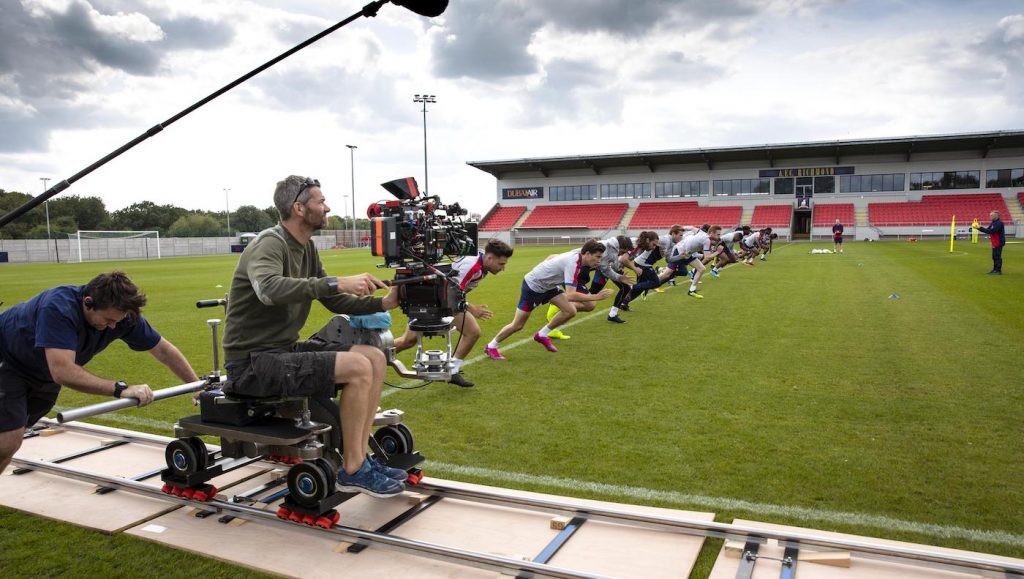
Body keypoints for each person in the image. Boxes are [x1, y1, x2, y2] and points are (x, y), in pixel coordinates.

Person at [220, 175, 405, 498]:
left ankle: (359, 458)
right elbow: (269, 289)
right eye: (320, 202)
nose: (327, 207)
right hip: (251, 364)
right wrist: (336, 282)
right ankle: (352, 469)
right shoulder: (269, 243)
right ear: (299, 208)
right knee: (359, 367)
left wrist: (384, 302)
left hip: (281, 350)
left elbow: (333, 300)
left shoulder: (306, 248)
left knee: (374, 356)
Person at [0, 272, 199, 474]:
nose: (113, 326)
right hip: (9, 361)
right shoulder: (58, 308)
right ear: (88, 302)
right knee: (7, 441)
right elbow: (62, 371)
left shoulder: (122, 317)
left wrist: (196, 385)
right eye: (108, 319)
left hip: (43, 375)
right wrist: (120, 389)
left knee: (9, 441)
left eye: (117, 321)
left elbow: (163, 350)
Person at [391, 239, 514, 387]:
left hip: (443, 299)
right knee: (408, 341)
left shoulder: (481, 261)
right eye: (501, 264)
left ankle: (452, 372)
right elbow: (449, 293)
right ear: (489, 258)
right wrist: (472, 308)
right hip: (431, 299)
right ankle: (373, 355)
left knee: (473, 332)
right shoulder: (471, 266)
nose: (503, 268)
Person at [484, 240, 612, 359]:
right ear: (588, 254)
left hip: (548, 287)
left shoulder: (577, 256)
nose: (599, 261)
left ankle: (541, 334)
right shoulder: (573, 263)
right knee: (518, 325)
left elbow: (552, 256)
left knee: (570, 310)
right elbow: (570, 295)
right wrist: (596, 296)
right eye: (598, 257)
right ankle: (491, 346)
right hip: (532, 286)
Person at [974, 210, 1006, 275]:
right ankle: (995, 269)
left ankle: (998, 271)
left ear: (996, 216)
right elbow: (988, 230)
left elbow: (992, 231)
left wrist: (981, 228)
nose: (990, 216)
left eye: (991, 215)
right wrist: (979, 228)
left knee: (997, 256)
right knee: (994, 256)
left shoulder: (999, 223)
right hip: (994, 242)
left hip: (998, 241)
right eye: (990, 215)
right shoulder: (993, 223)